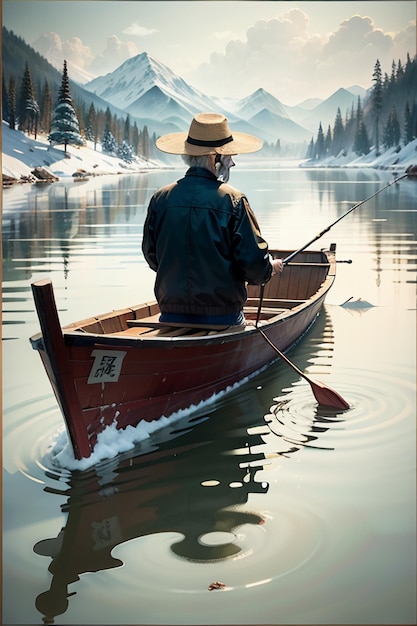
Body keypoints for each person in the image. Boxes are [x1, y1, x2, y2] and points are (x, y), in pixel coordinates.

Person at [142, 112, 283, 327]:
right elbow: (254, 267)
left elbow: (152, 257)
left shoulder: (161, 199)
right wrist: (269, 268)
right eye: (229, 156)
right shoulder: (233, 200)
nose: (232, 162)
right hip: (223, 316)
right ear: (214, 157)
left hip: (170, 313)